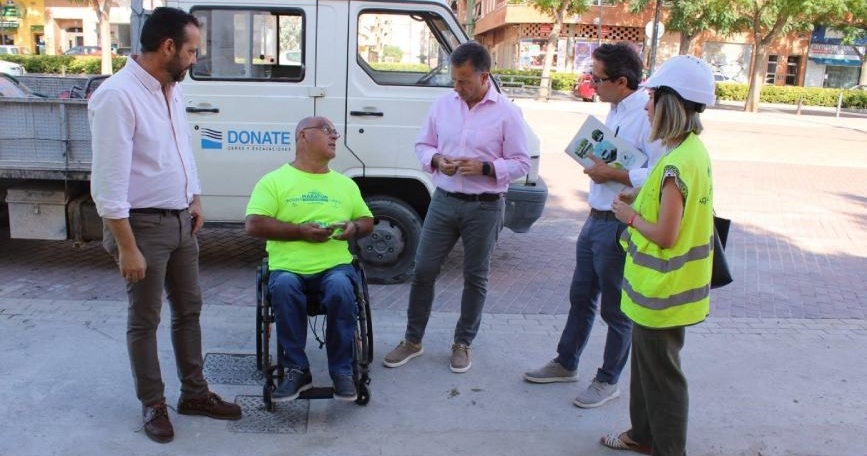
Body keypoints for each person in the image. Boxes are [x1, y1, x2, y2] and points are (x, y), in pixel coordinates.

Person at [89, 7, 241, 444]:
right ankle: (153, 403)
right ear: (168, 46)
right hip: (141, 227)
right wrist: (127, 246)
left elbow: (180, 150)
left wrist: (193, 198)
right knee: (145, 319)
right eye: (192, 50)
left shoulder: (170, 89)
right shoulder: (118, 96)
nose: (196, 58)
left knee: (189, 311)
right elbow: (109, 182)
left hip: (179, 222)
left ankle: (194, 393)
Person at [523, 43, 664, 409]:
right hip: (594, 218)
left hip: (620, 223)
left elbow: (661, 173)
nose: (592, 84)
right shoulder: (615, 110)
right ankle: (566, 362)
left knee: (616, 310)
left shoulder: (649, 117)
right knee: (580, 296)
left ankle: (608, 379)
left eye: (598, 78)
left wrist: (613, 173)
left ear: (621, 80)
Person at [383, 41, 531, 373]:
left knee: (475, 277)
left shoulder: (507, 112)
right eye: (455, 79)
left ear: (484, 76)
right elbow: (423, 145)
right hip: (444, 201)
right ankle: (412, 340)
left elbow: (521, 163)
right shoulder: (442, 105)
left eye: (464, 81)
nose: (457, 87)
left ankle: (463, 342)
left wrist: (486, 169)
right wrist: (437, 160)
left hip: (486, 206)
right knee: (422, 271)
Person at [602, 55, 716, 456]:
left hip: (663, 292)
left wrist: (628, 216)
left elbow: (666, 235)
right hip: (662, 291)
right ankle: (642, 435)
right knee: (648, 370)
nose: (646, 105)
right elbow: (674, 210)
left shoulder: (675, 163)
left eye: (652, 97)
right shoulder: (689, 152)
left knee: (662, 378)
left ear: (670, 103)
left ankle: (666, 448)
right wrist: (639, 196)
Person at [245, 116, 374, 402]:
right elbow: (253, 224)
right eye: (327, 130)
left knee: (342, 287)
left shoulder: (344, 185)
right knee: (284, 287)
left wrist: (354, 228)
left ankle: (342, 370)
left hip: (334, 267)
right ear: (303, 135)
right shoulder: (274, 181)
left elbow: (367, 220)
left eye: (335, 132)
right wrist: (299, 232)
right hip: (288, 268)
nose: (335, 137)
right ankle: (295, 370)